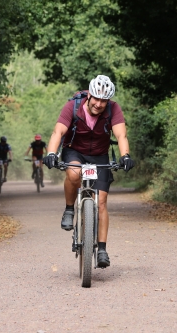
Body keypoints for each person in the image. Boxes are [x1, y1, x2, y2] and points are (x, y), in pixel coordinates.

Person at [43, 75, 135, 268]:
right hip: (74, 151)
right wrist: (51, 153)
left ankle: (101, 249)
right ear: (89, 96)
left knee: (101, 202)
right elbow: (57, 132)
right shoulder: (73, 107)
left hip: (100, 156)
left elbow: (121, 135)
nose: (99, 104)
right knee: (74, 173)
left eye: (104, 100)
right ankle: (69, 209)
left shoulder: (113, 109)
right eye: (96, 99)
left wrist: (125, 155)